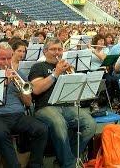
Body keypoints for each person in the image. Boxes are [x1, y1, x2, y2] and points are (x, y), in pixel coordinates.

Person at [28, 37, 96, 168]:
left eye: (59, 49)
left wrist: (74, 76)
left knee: (90, 124)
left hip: (67, 106)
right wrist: (55, 74)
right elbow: (36, 90)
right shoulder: (38, 67)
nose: (57, 52)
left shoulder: (67, 66)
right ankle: (69, 164)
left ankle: (66, 159)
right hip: (45, 107)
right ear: (45, 51)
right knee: (59, 123)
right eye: (53, 49)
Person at [0, 42, 48, 168]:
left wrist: (20, 89)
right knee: (0, 134)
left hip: (18, 115)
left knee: (42, 129)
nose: (6, 62)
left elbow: (28, 102)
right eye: (2, 59)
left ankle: (35, 164)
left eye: (9, 58)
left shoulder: (19, 74)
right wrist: (3, 84)